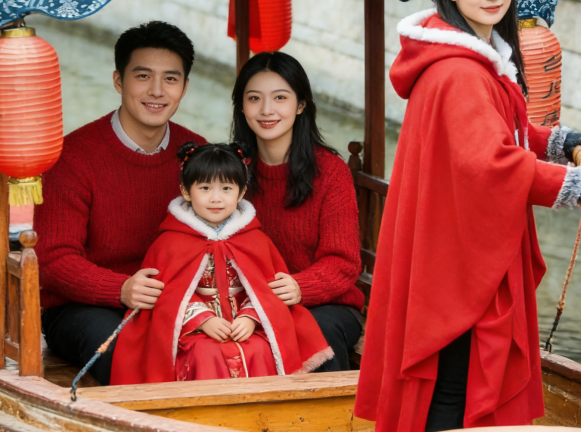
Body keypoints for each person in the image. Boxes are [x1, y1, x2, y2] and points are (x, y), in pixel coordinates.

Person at [354, 0, 581, 432]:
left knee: (454, 368)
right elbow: (488, 162)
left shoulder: (463, 54)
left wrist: (551, 141)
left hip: (447, 237)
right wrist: (570, 185)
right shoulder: (461, 71)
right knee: (456, 371)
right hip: (457, 252)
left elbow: (495, 131)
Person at [36, 21, 206, 385]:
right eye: (142, 76)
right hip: (82, 306)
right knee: (121, 347)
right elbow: (53, 260)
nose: (157, 90)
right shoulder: (73, 157)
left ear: (185, 87)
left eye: (170, 79)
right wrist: (121, 289)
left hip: (174, 301)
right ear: (118, 81)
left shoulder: (197, 154)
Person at [112, 143, 333, 384]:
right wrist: (203, 320)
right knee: (206, 352)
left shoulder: (255, 239)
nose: (216, 198)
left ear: (241, 192)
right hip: (191, 331)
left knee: (260, 349)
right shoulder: (170, 242)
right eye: (205, 188)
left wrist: (250, 318)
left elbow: (268, 288)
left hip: (244, 325)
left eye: (226, 188)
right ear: (186, 191)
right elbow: (165, 294)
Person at [231, 52, 364, 372]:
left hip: (324, 305)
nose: (266, 110)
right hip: (249, 305)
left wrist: (299, 287)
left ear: (301, 104)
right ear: (242, 107)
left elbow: (343, 264)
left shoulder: (330, 173)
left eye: (280, 97)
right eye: (254, 98)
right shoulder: (230, 171)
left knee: (314, 332)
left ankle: (330, 407)